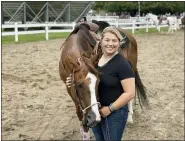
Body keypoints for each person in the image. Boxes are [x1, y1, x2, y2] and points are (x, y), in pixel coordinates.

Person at [66, 26, 135, 140]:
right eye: (107, 40)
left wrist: (110, 109)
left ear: (119, 43)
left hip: (115, 113)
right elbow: (86, 78)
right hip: (96, 110)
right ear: (101, 41)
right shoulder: (96, 59)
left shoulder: (122, 64)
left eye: (114, 41)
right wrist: (72, 80)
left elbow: (130, 93)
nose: (110, 44)